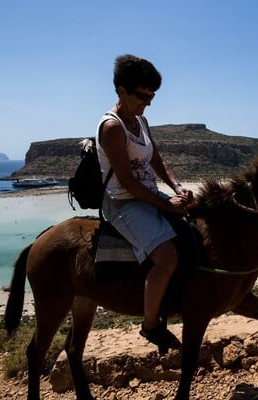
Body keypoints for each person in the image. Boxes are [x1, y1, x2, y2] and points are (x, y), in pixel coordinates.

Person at [96, 54, 192, 351]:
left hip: (147, 196)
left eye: (152, 96)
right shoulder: (112, 128)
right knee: (167, 257)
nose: (148, 102)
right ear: (121, 91)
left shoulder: (140, 120)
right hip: (122, 203)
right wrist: (166, 204)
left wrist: (177, 187)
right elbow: (126, 181)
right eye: (142, 95)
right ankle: (150, 326)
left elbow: (155, 160)